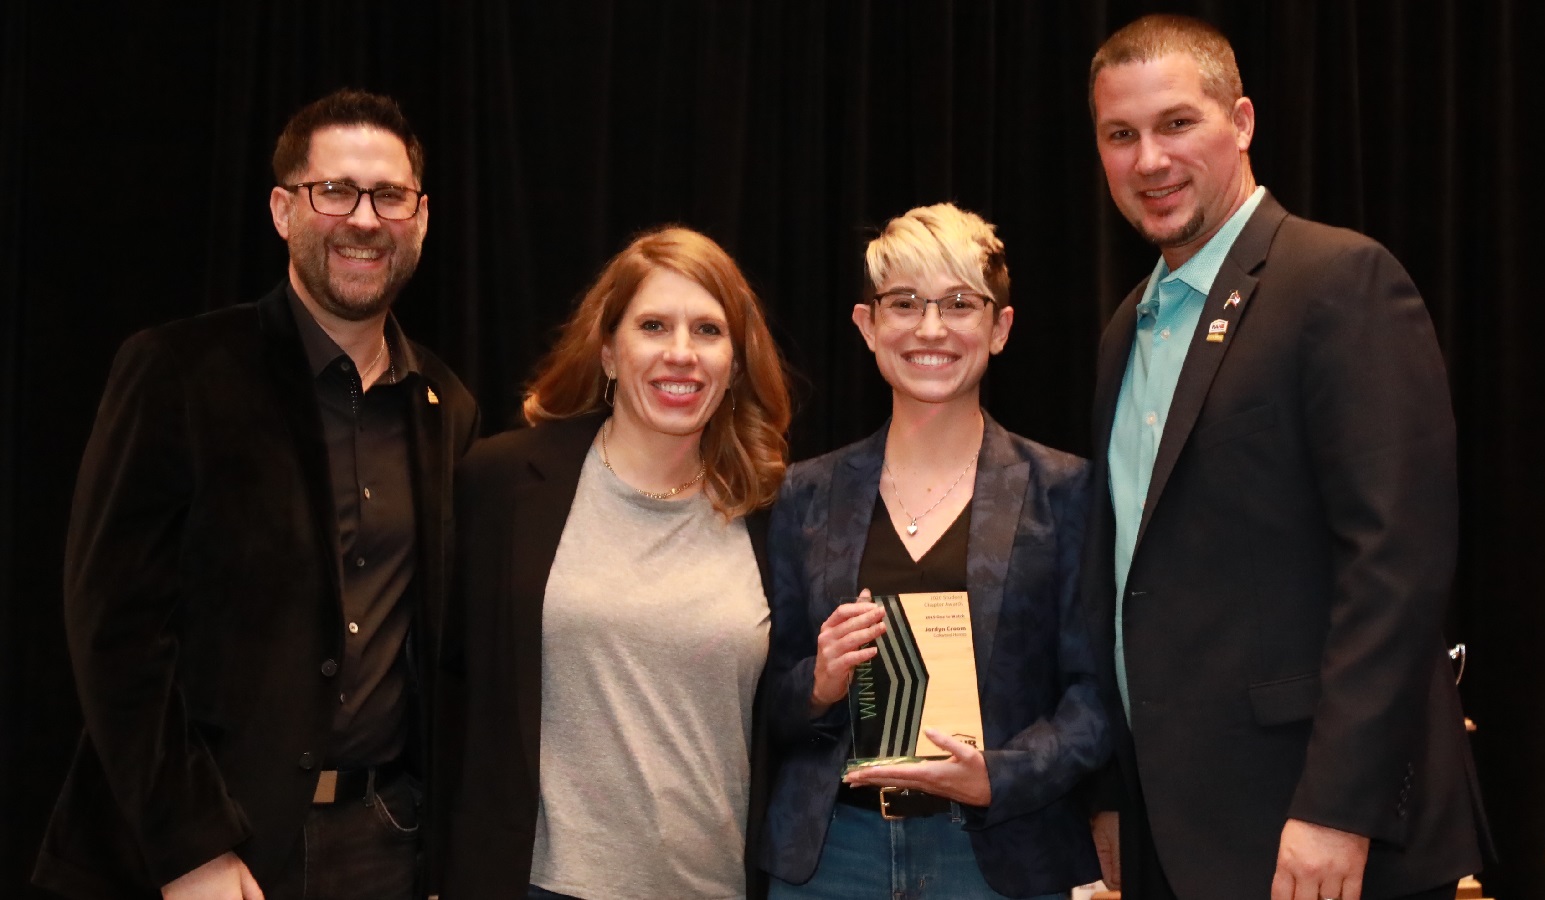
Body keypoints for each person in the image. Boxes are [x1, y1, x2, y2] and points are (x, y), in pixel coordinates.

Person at [32, 89, 479, 900]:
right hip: (209, 855)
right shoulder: (178, 372)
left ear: (421, 217)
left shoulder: (445, 405)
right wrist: (190, 845)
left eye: (389, 195)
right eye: (334, 190)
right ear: (283, 210)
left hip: (385, 845)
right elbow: (114, 633)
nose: (365, 219)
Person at [1081, 15, 1488, 900]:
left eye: (1176, 123)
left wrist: (1341, 807)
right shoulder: (1126, 328)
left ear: (1244, 121)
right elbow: (1124, 583)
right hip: (1176, 834)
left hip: (1315, 837)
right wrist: (1113, 795)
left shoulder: (1340, 281)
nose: (1148, 159)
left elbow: (1396, 566)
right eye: (1121, 135)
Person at [760, 203, 1109, 899]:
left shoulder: (1066, 492)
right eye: (904, 303)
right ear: (867, 325)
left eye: (958, 303)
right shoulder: (804, 494)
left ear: (1000, 328)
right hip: (834, 859)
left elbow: (1099, 696)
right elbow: (761, 695)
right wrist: (819, 683)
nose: (930, 328)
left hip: (998, 859)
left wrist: (1001, 775)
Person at [440, 226, 791, 900]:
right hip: (538, 886)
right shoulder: (503, 484)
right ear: (607, 350)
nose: (681, 354)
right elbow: (448, 692)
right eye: (653, 325)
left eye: (709, 331)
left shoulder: (777, 513)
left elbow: (789, 725)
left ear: (738, 363)